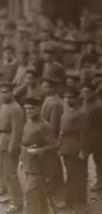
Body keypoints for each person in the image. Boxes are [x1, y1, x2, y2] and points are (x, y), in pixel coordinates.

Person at [20, 96, 58, 214]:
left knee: (30, 194)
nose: (29, 111)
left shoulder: (44, 126)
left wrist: (39, 151)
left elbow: (54, 145)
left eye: (32, 108)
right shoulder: (29, 121)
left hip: (38, 165)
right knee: (40, 192)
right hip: (28, 161)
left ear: (39, 108)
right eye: (27, 108)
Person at [0, 82, 24, 214]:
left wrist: (13, 146)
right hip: (2, 140)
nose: (4, 94)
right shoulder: (3, 105)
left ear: (12, 92)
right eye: (2, 92)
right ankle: (11, 196)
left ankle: (17, 202)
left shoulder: (15, 108)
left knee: (11, 174)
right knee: (5, 172)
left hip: (9, 141)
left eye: (7, 91)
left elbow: (17, 130)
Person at [58, 87, 90, 213]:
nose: (68, 99)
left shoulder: (81, 113)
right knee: (71, 174)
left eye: (71, 97)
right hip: (67, 146)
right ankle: (69, 199)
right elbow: (62, 131)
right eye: (66, 97)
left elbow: (84, 133)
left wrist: (84, 150)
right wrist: (60, 145)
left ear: (77, 98)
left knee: (79, 175)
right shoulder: (66, 112)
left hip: (76, 146)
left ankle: (80, 202)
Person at [41, 66, 66, 205]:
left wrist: (48, 140)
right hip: (45, 138)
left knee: (53, 167)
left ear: (51, 87)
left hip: (50, 140)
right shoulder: (48, 99)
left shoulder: (56, 103)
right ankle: (51, 189)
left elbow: (53, 125)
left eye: (45, 85)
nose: (43, 87)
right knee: (48, 166)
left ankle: (56, 192)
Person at [81, 82, 102, 192]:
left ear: (93, 92)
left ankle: (100, 183)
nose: (85, 94)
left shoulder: (98, 106)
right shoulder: (85, 102)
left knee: (99, 160)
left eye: (87, 92)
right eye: (83, 91)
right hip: (88, 135)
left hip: (97, 137)